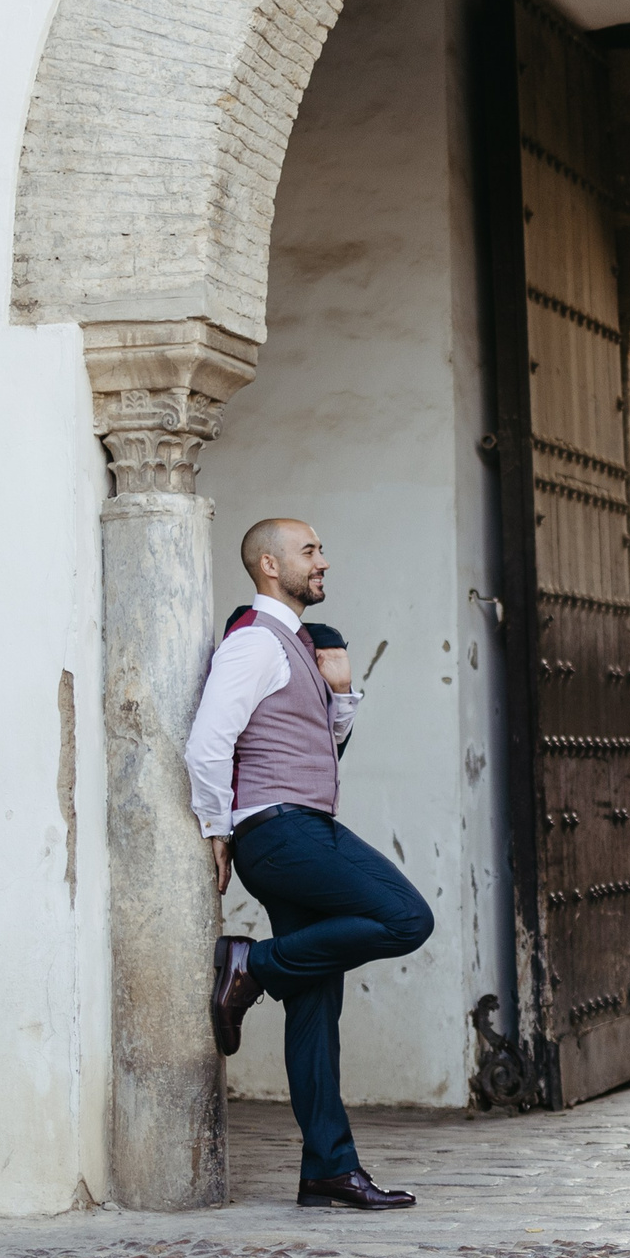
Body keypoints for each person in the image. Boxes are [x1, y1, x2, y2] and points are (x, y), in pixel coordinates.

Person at [196, 518, 433, 1211]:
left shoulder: (296, 645)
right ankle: (251, 966)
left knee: (315, 1006)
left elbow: (315, 744)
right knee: (405, 916)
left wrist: (341, 694)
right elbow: (208, 740)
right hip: (283, 833)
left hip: (294, 827)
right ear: (270, 565)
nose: (323, 560)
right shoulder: (254, 643)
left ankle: (328, 1168)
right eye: (310, 551)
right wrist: (218, 826)